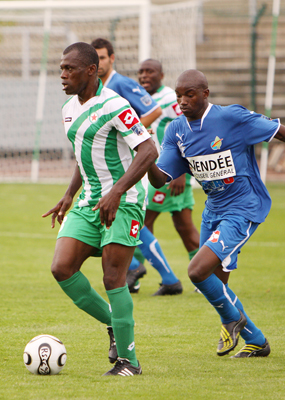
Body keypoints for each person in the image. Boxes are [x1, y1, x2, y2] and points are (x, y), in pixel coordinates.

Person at [148, 69, 285, 358]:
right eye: (178, 96)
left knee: (197, 271)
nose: (183, 101)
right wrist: (144, 154)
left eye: (189, 94)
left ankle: (232, 320)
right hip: (213, 209)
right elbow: (160, 177)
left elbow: (281, 131)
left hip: (243, 207)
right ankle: (257, 341)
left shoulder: (231, 118)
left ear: (205, 93)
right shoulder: (176, 130)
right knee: (216, 284)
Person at [42, 42, 158, 375]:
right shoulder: (68, 108)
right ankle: (113, 324)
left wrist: (118, 192)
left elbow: (147, 149)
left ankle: (129, 362)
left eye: (70, 69)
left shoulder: (115, 105)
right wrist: (68, 195)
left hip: (125, 202)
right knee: (62, 268)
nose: (63, 75)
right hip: (89, 201)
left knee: (113, 277)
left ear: (91, 71)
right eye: (61, 68)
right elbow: (84, 154)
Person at [91, 39, 183, 295]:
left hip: (133, 161)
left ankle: (162, 276)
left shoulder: (120, 83)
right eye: (94, 59)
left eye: (103, 58)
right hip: (113, 162)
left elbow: (154, 110)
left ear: (112, 58)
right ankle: (138, 269)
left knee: (130, 218)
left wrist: (130, 134)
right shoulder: (96, 88)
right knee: (104, 215)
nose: (99, 63)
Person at [123, 58, 202, 296]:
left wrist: (181, 172)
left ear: (162, 75)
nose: (144, 76)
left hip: (169, 174)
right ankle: (204, 276)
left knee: (140, 223)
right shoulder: (144, 100)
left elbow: (190, 128)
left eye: (150, 72)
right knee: (180, 227)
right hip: (157, 172)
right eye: (141, 72)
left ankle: (135, 271)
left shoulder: (170, 98)